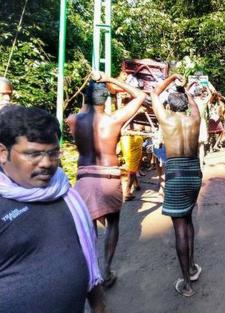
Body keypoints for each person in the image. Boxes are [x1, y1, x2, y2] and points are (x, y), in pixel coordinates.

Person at [0, 106, 105, 313]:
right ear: (3, 153)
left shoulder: (64, 192)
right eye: (34, 154)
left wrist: (99, 306)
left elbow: (86, 255)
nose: (47, 163)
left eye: (54, 153)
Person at [66, 71, 146, 288]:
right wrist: (110, 80)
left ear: (87, 98)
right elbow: (140, 96)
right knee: (113, 224)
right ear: (106, 99)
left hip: (84, 179)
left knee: (87, 227)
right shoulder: (113, 120)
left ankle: (89, 270)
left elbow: (83, 111)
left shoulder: (74, 120)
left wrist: (88, 93)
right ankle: (107, 269)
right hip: (108, 177)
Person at [151, 74, 203, 297]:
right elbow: (193, 102)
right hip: (194, 172)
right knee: (188, 217)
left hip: (176, 173)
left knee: (180, 227)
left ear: (170, 106)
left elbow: (154, 93)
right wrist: (185, 89)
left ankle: (187, 284)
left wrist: (172, 76)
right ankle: (191, 268)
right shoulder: (195, 118)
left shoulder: (166, 119)